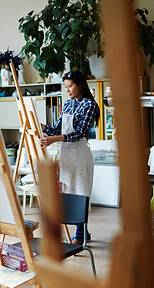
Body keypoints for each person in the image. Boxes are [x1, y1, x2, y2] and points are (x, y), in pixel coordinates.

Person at [39, 70, 100, 245]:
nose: (68, 90)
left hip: (80, 155)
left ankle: (80, 234)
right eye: (65, 86)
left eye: (70, 86)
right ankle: (84, 232)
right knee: (68, 191)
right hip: (67, 155)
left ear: (80, 84)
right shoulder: (67, 104)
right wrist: (41, 127)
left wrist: (53, 140)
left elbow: (79, 133)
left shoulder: (89, 105)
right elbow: (58, 129)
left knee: (80, 193)